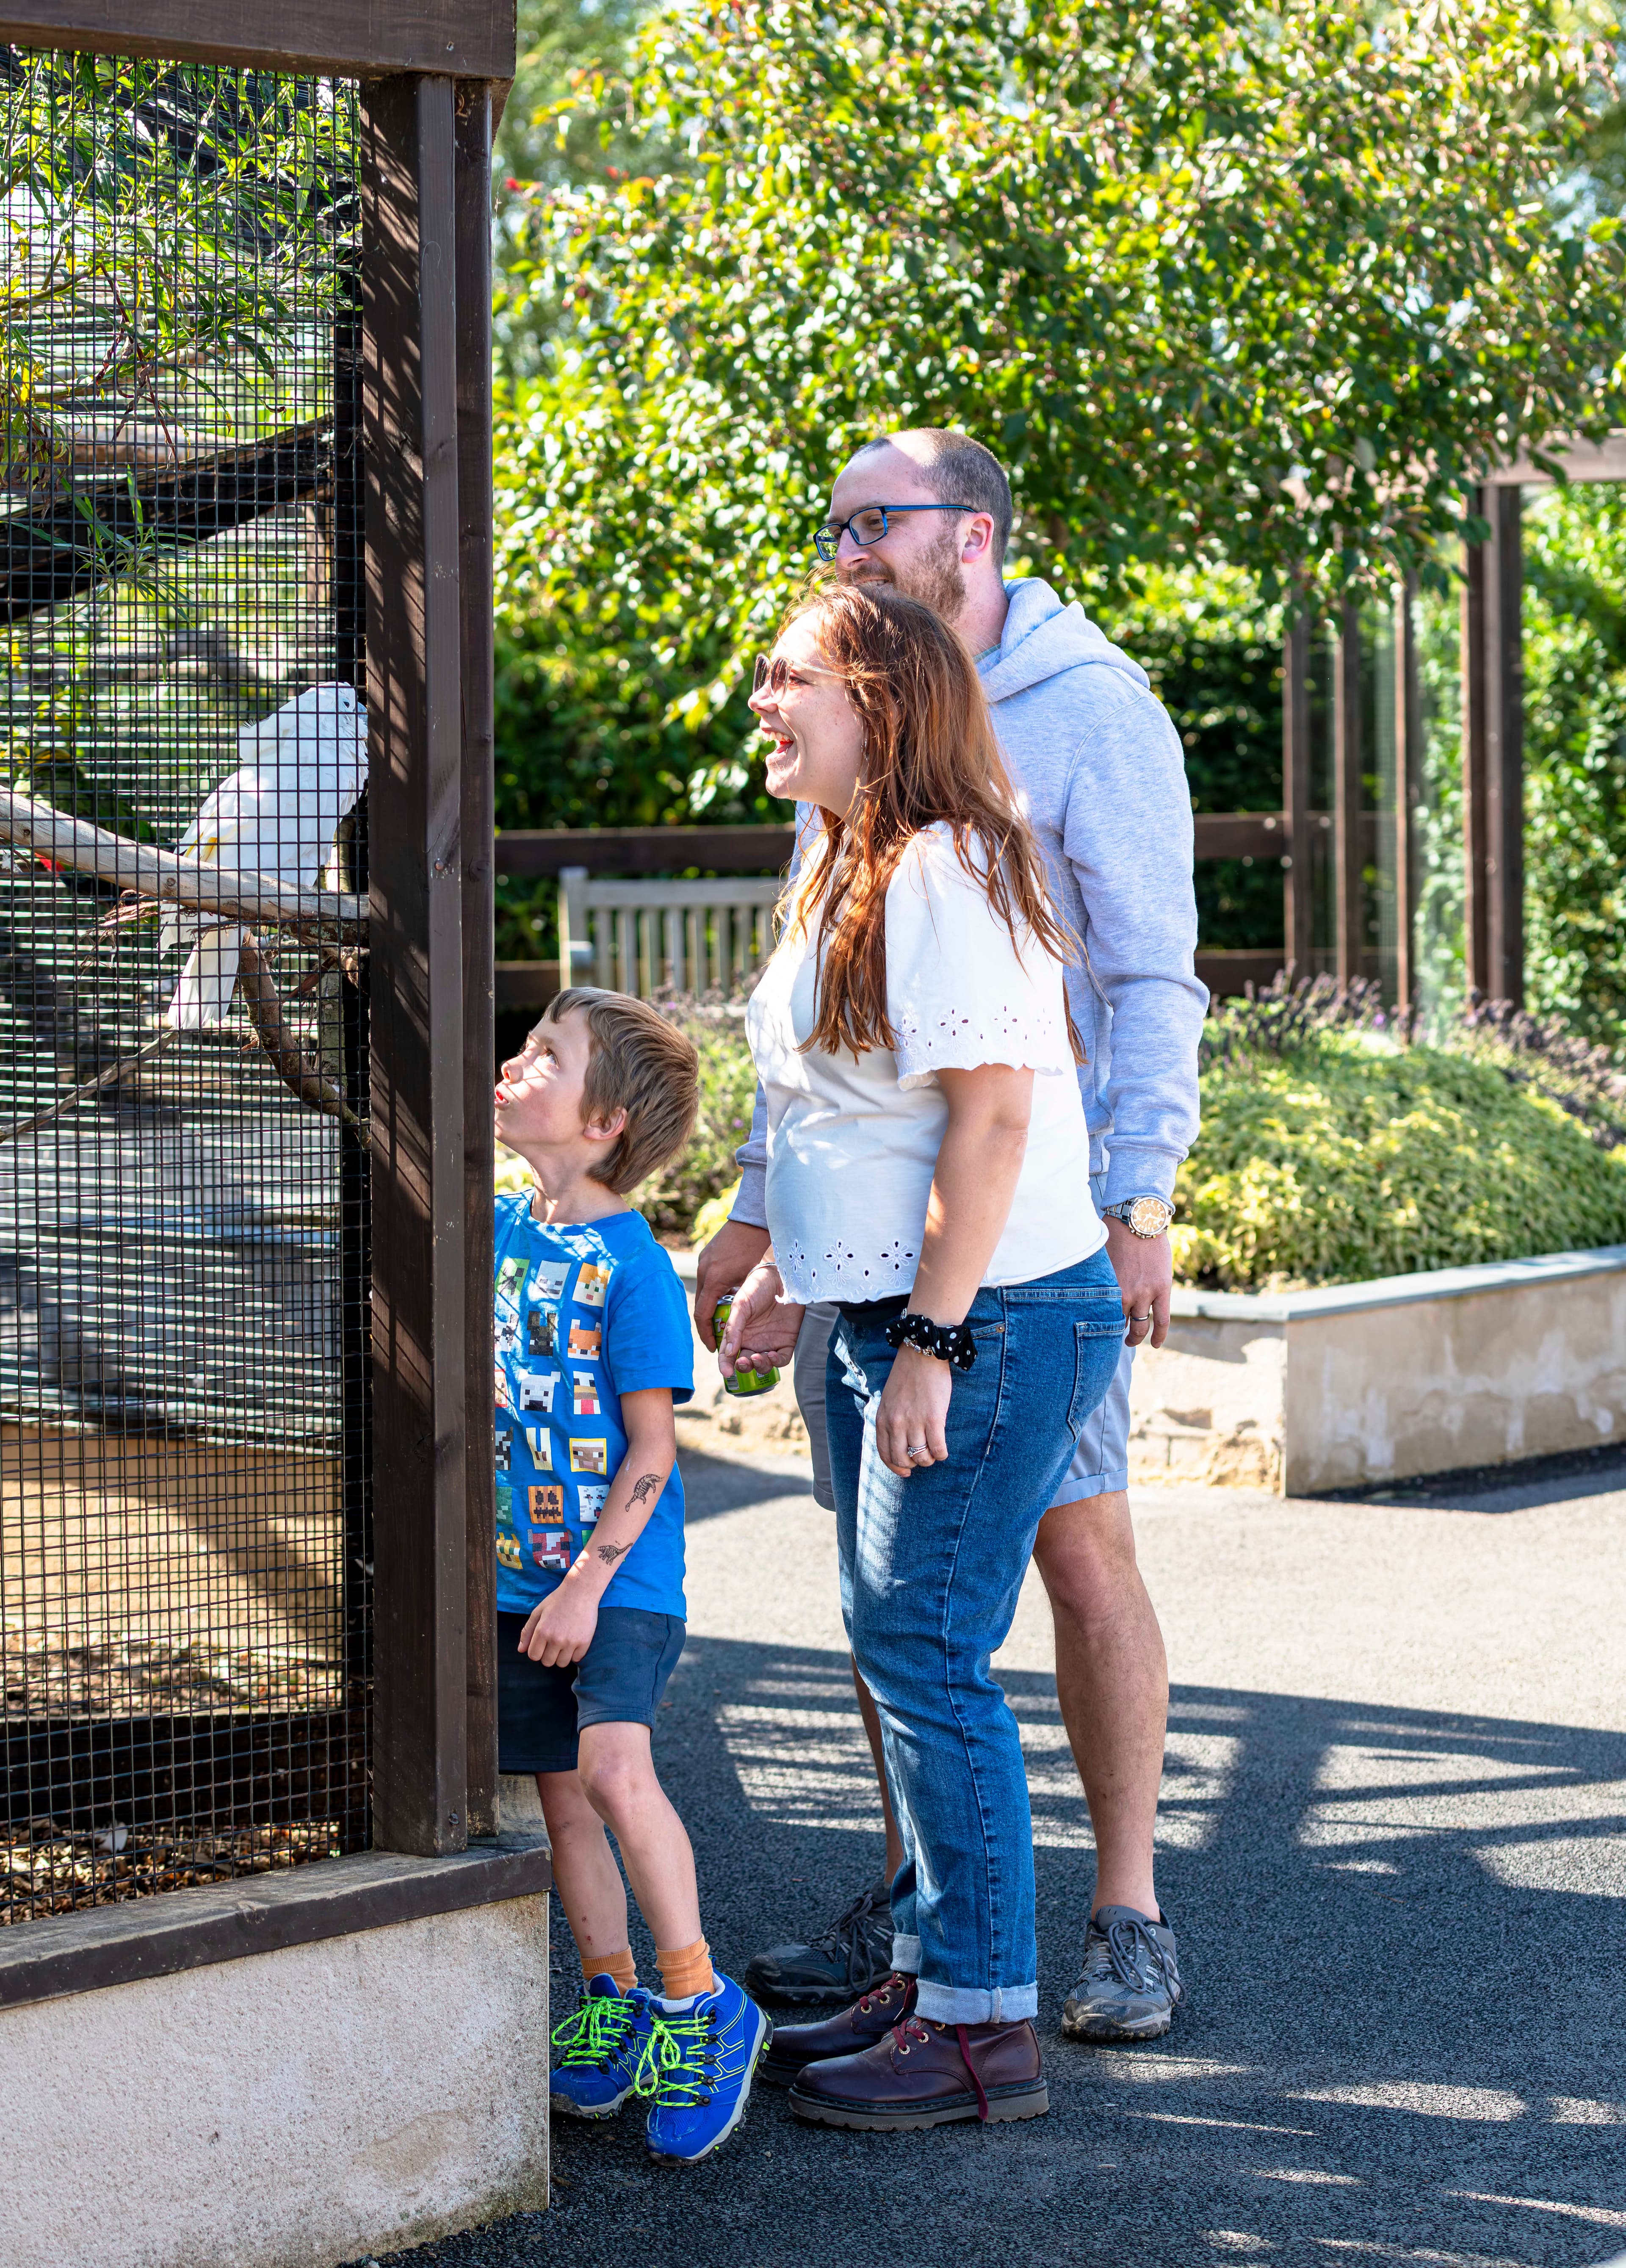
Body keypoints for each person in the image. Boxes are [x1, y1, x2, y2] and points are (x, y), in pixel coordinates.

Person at [697, 427, 1205, 2043]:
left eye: (874, 519)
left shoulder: (1090, 712)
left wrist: (1139, 1199)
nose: (845, 540)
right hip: (885, 1249)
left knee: (1075, 1555)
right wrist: (773, 1211)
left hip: (1028, 1238)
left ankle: (1123, 1911)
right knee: (891, 1602)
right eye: (833, 518)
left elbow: (1147, 981)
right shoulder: (852, 745)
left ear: (970, 534)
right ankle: (932, 1909)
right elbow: (833, 1025)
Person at [721, 580, 1126, 2132]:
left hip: (993, 1320)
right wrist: (796, 1279)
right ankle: (927, 1965)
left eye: (786, 679)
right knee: (898, 1648)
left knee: (929, 1663)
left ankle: (977, 2028)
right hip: (890, 1313)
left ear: (879, 702)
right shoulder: (845, 855)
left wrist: (933, 1340)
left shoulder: (950, 865)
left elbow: (999, 1116)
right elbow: (845, 1107)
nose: (762, 703)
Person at [492, 988, 771, 2167]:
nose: (516, 1061)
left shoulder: (634, 1267)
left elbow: (654, 1451)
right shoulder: (501, 1230)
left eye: (545, 1055)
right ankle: (608, 1997)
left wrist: (585, 1583)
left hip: (617, 1583)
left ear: (603, 1122)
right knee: (557, 1794)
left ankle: (700, 2001)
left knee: (612, 1768)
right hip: (518, 1583)